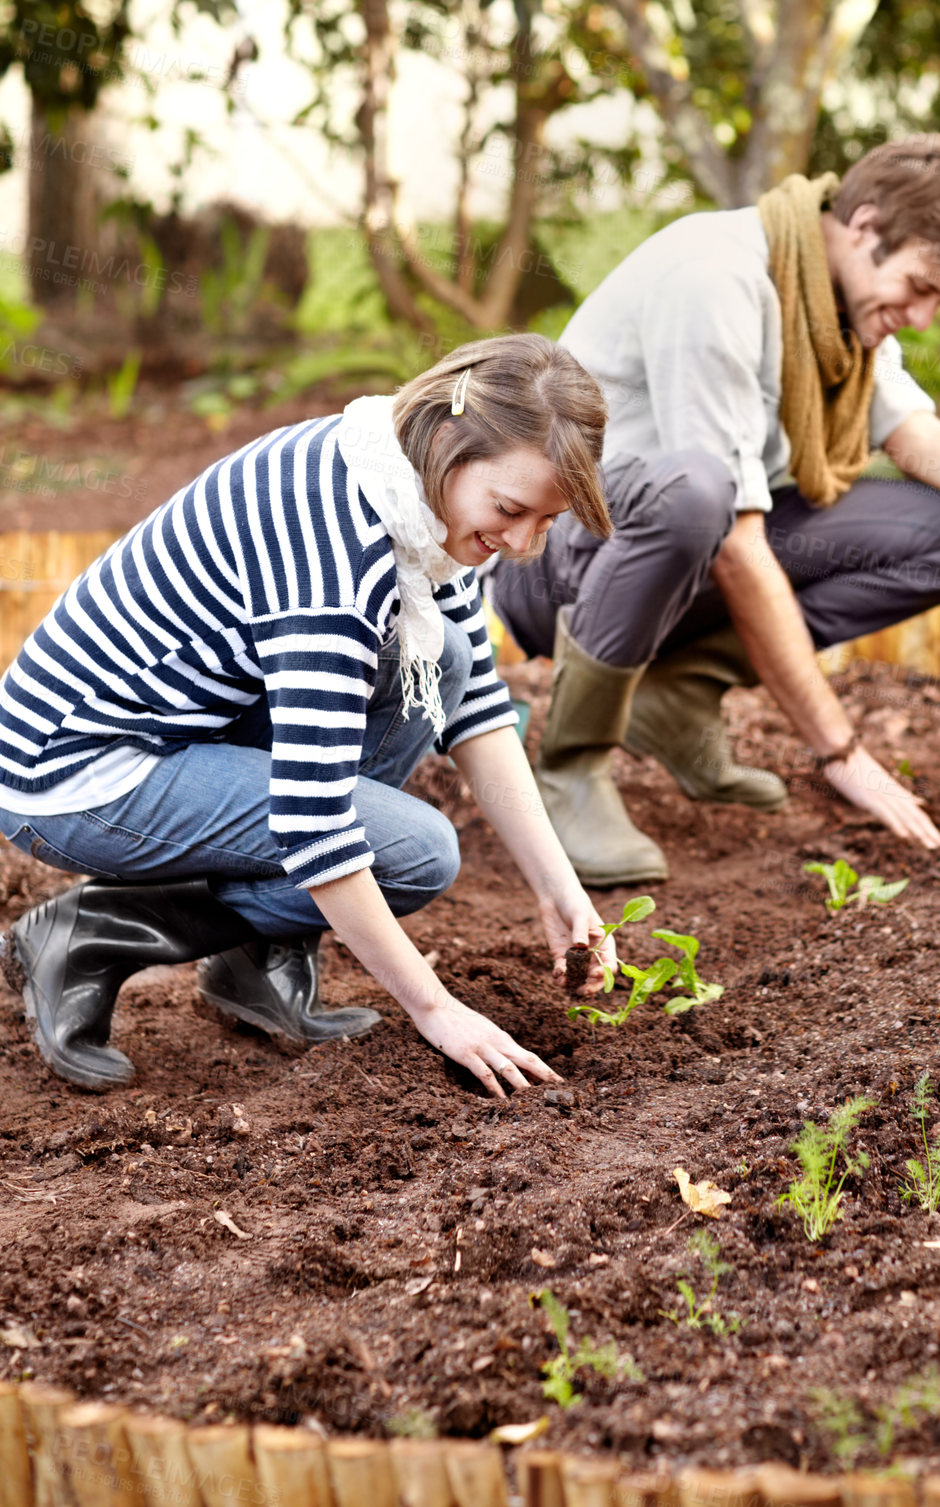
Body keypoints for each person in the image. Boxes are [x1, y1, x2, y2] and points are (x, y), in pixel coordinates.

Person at [490, 133, 940, 887]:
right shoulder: (715, 280)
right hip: (560, 558)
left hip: (678, 550)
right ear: (864, 228)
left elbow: (918, 439)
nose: (924, 317)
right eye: (922, 287)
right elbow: (734, 540)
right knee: (699, 493)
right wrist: (841, 752)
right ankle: (571, 767)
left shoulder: (831, 300)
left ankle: (674, 692)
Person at [0, 333, 616, 1098]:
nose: (520, 543)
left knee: (445, 657)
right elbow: (315, 821)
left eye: (546, 522)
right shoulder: (336, 550)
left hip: (190, 725)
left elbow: (476, 701)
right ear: (451, 438)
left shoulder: (403, 483)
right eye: (511, 509)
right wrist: (436, 1008)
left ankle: (256, 960)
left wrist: (561, 889)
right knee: (417, 851)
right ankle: (94, 932)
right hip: (75, 768)